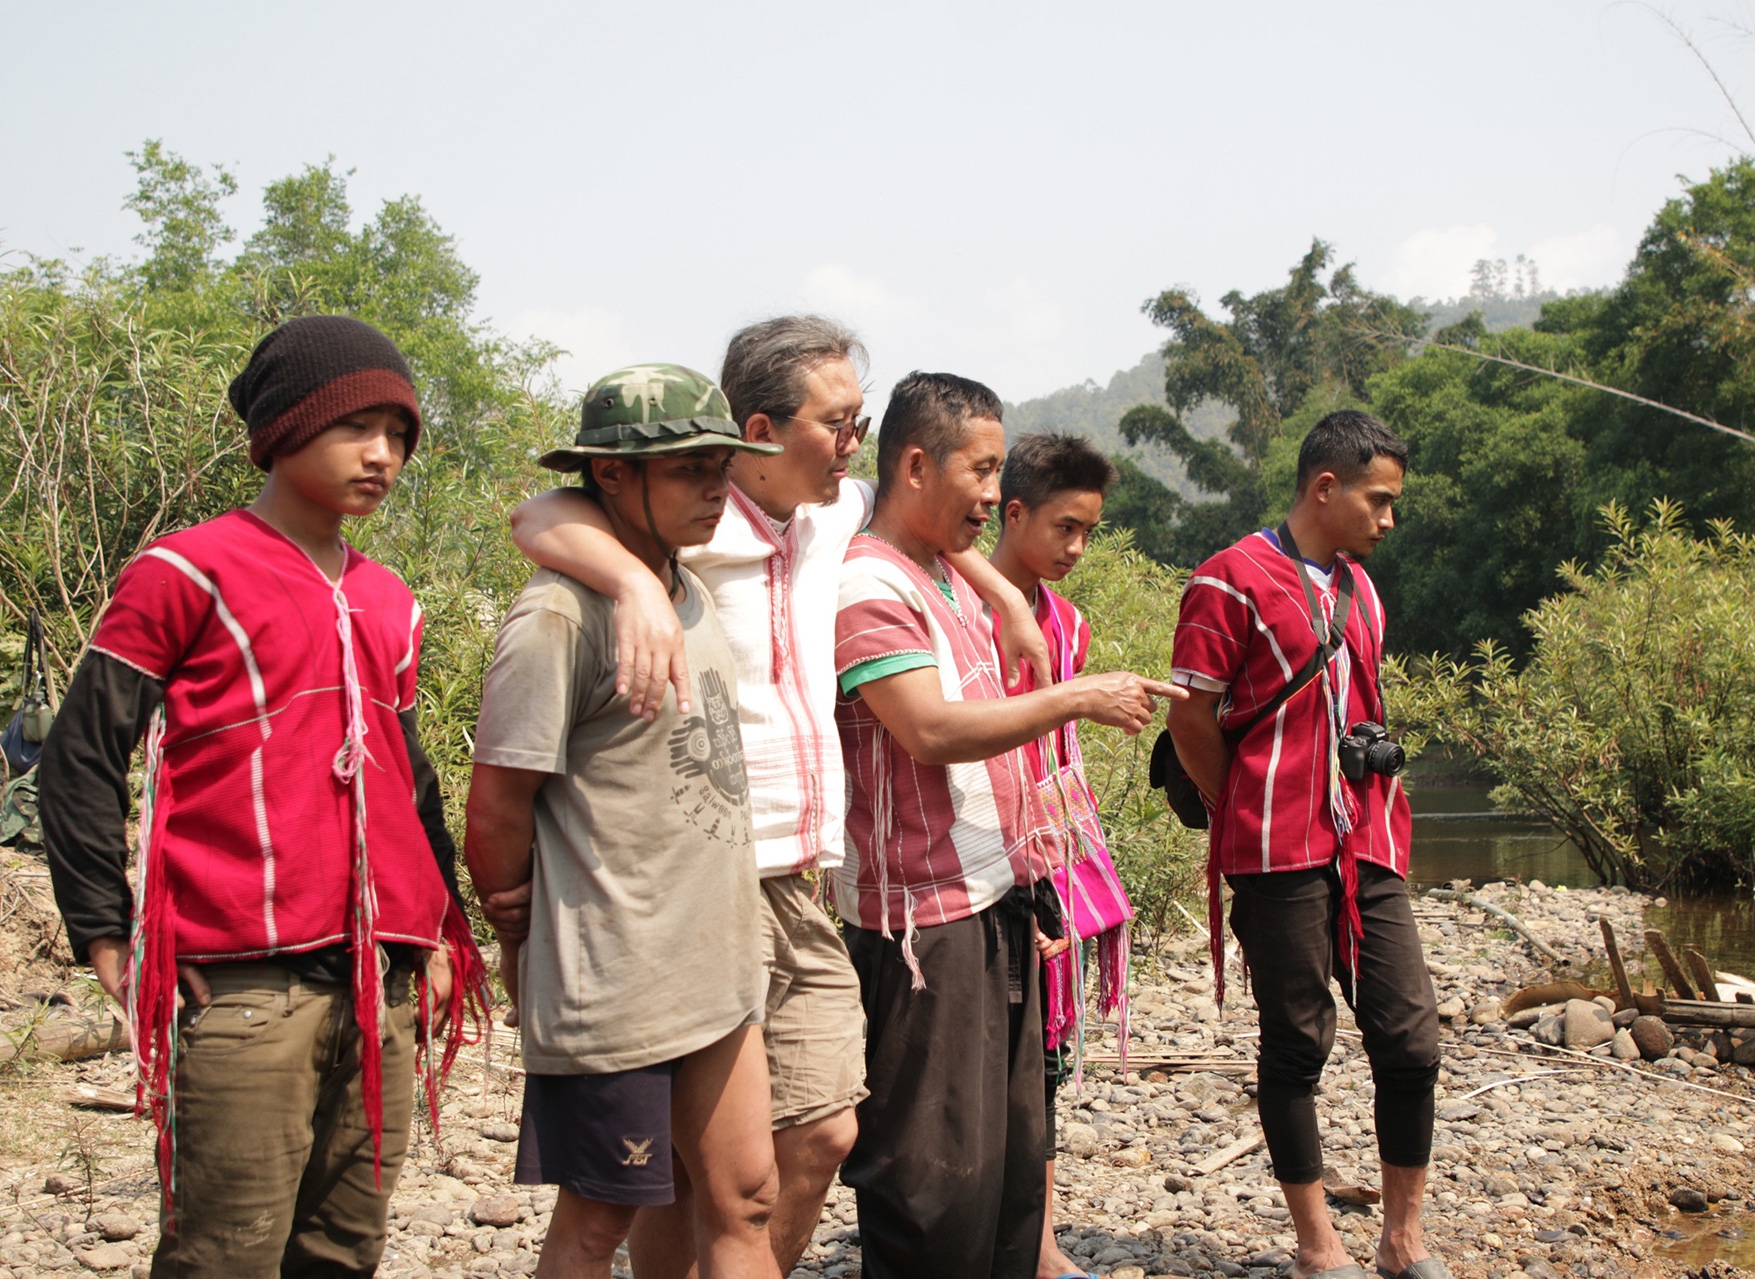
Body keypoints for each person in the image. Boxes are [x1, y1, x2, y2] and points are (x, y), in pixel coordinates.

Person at [501, 317, 1052, 1278]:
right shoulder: (687, 531)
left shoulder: (829, 513)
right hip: (696, 884)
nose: (855, 442)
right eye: (838, 422)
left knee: (823, 1129)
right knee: (668, 1175)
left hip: (800, 877)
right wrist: (632, 584)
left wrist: (1000, 593)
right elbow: (538, 517)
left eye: (860, 421)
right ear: (763, 427)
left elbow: (913, 515)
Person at [39, 315, 486, 1279]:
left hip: (384, 984)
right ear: (283, 428)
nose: (383, 454)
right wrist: (105, 932)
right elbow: (81, 753)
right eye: (356, 425)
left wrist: (443, 931)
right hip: (242, 984)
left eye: (400, 432)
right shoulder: (183, 572)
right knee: (224, 1254)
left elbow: (413, 783)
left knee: (345, 1249)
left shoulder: (389, 598)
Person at [833, 372, 1184, 1279]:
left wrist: (1012, 602)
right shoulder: (871, 586)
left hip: (991, 900)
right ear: (916, 466)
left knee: (1008, 1164)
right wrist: (1077, 693)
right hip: (924, 924)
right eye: (982, 472)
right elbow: (932, 729)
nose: (994, 495)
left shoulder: (944, 570)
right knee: (932, 1185)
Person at [463, 365, 783, 1279]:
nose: (716, 487)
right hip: (618, 978)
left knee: (744, 1196)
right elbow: (499, 800)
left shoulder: (680, 584)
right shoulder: (559, 617)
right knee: (596, 1220)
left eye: (722, 464)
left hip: (713, 968)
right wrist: (513, 911)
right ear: (611, 476)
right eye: (688, 468)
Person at [1164, 410, 1444, 1279]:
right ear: (1326, 487)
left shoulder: (1362, 590)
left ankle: (1403, 1241)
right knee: (1297, 1041)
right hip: (1274, 849)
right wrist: (1240, 802)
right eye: (1379, 499)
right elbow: (1190, 718)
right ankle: (1320, 1247)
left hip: (1368, 845)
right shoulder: (1228, 579)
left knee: (1410, 1038)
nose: (1388, 519)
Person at [986, 432, 1133, 1279]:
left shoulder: (1067, 624)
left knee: (1043, 1059)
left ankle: (1036, 1246)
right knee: (984, 1061)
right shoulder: (962, 607)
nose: (1077, 548)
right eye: (1065, 528)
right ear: (1014, 512)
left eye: (1089, 532)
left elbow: (1060, 762)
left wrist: (1067, 889)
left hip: (1048, 857)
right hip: (979, 861)